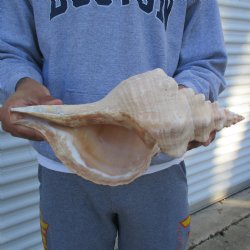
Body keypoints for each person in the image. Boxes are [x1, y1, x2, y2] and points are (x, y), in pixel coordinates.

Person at [0, 1, 227, 249]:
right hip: (64, 167)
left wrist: (180, 105)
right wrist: (21, 82)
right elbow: (9, 50)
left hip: (159, 171)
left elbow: (205, 60)